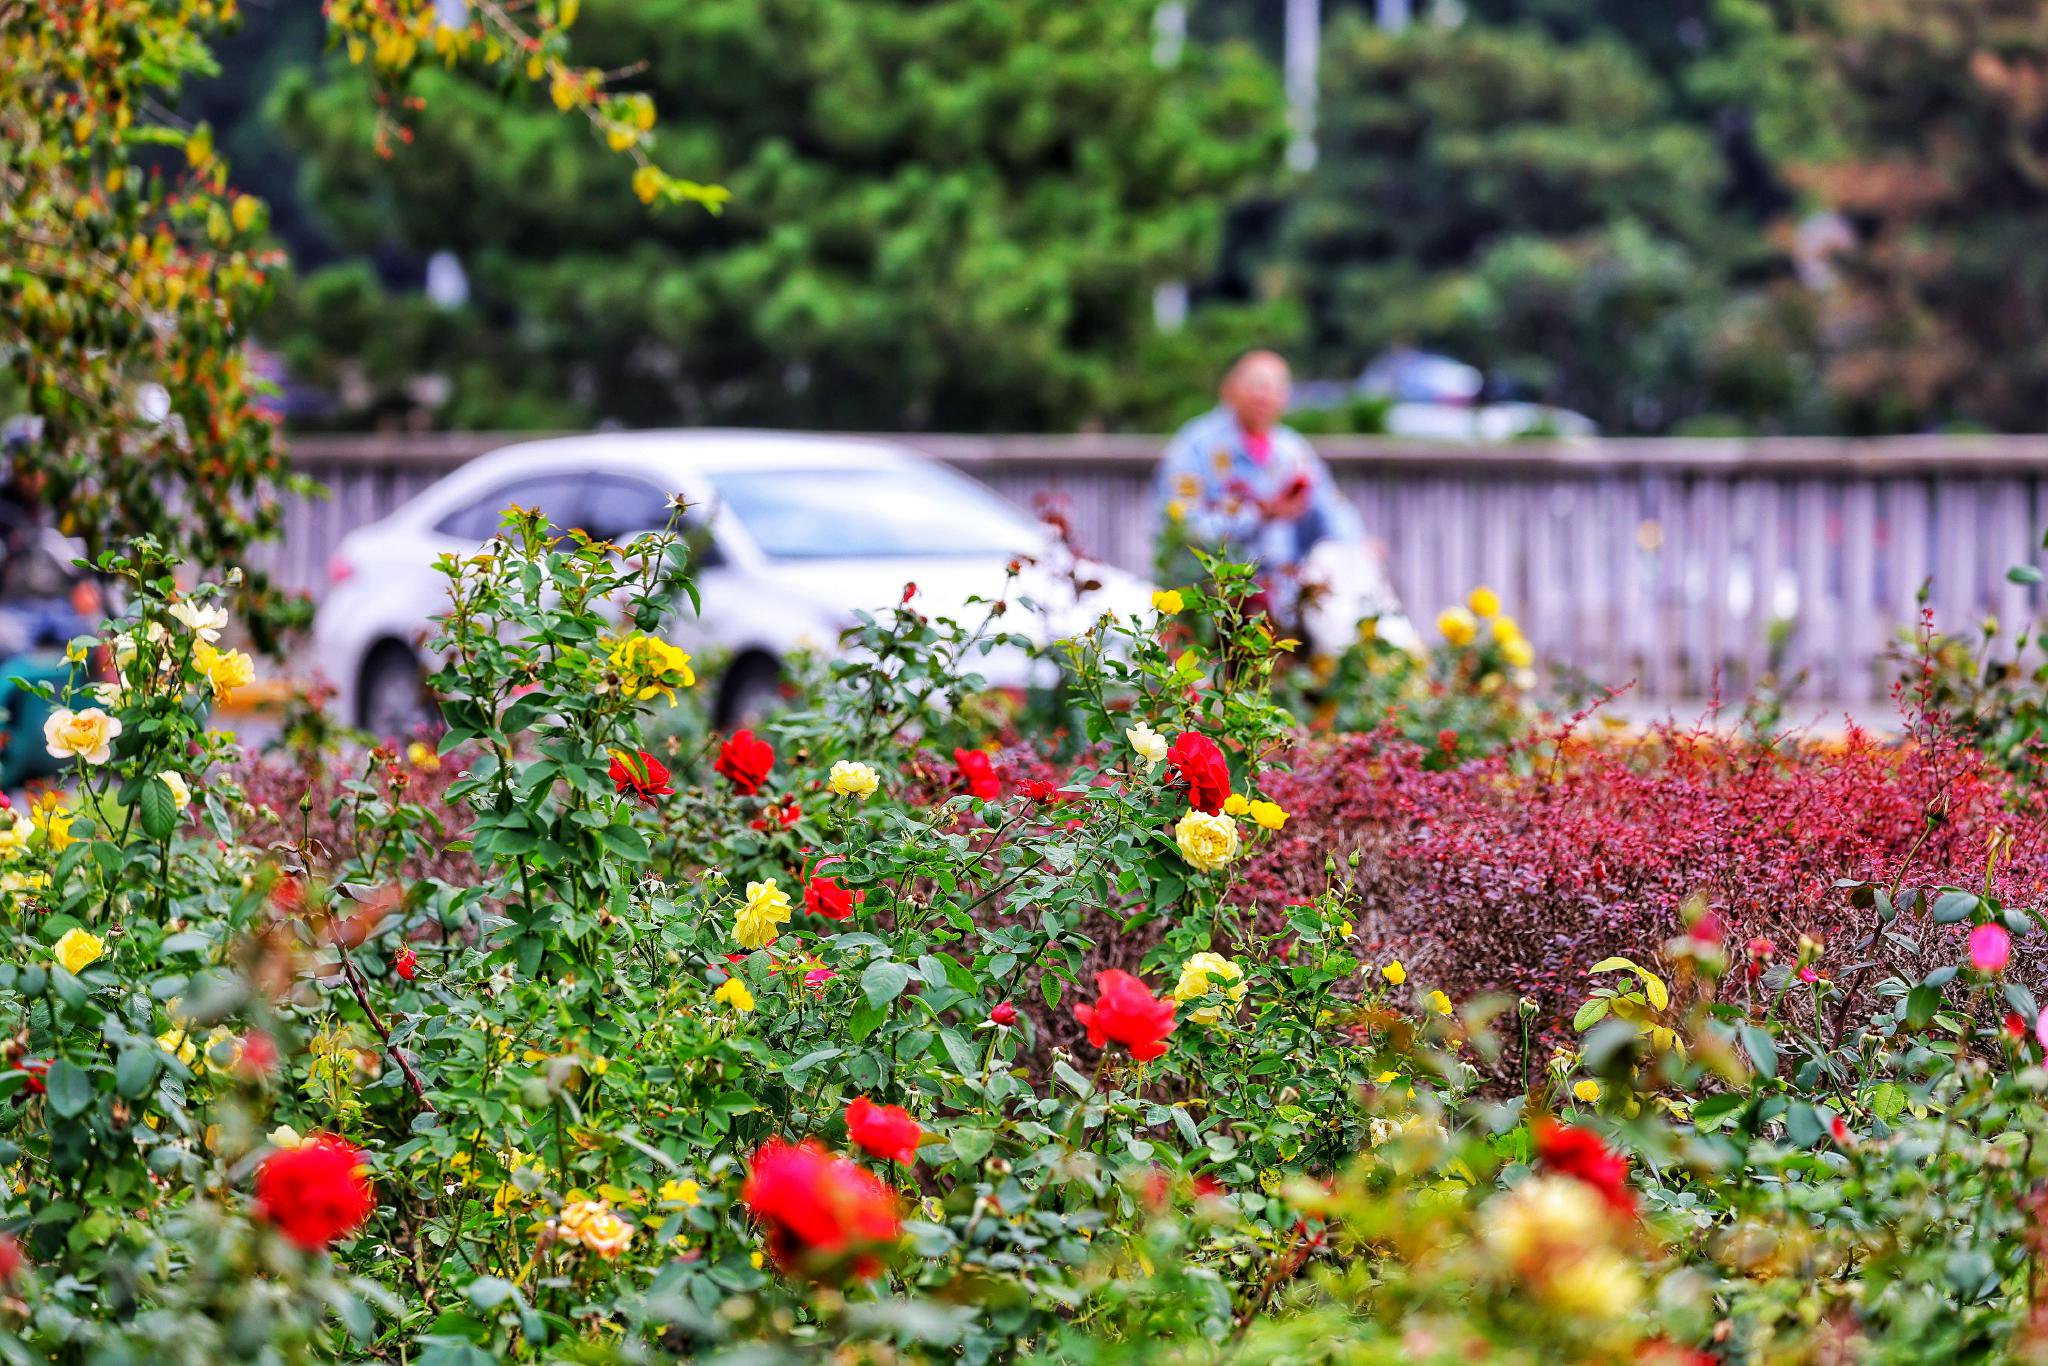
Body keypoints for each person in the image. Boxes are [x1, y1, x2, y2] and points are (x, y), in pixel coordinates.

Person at [1154, 351, 1380, 628]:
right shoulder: (1195, 448)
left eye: (1275, 387)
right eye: (1256, 384)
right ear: (1228, 389)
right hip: (1214, 596)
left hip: (1287, 594)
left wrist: (1357, 545)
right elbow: (1186, 529)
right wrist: (1259, 515)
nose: (1265, 395)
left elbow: (1332, 506)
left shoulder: (1292, 451)